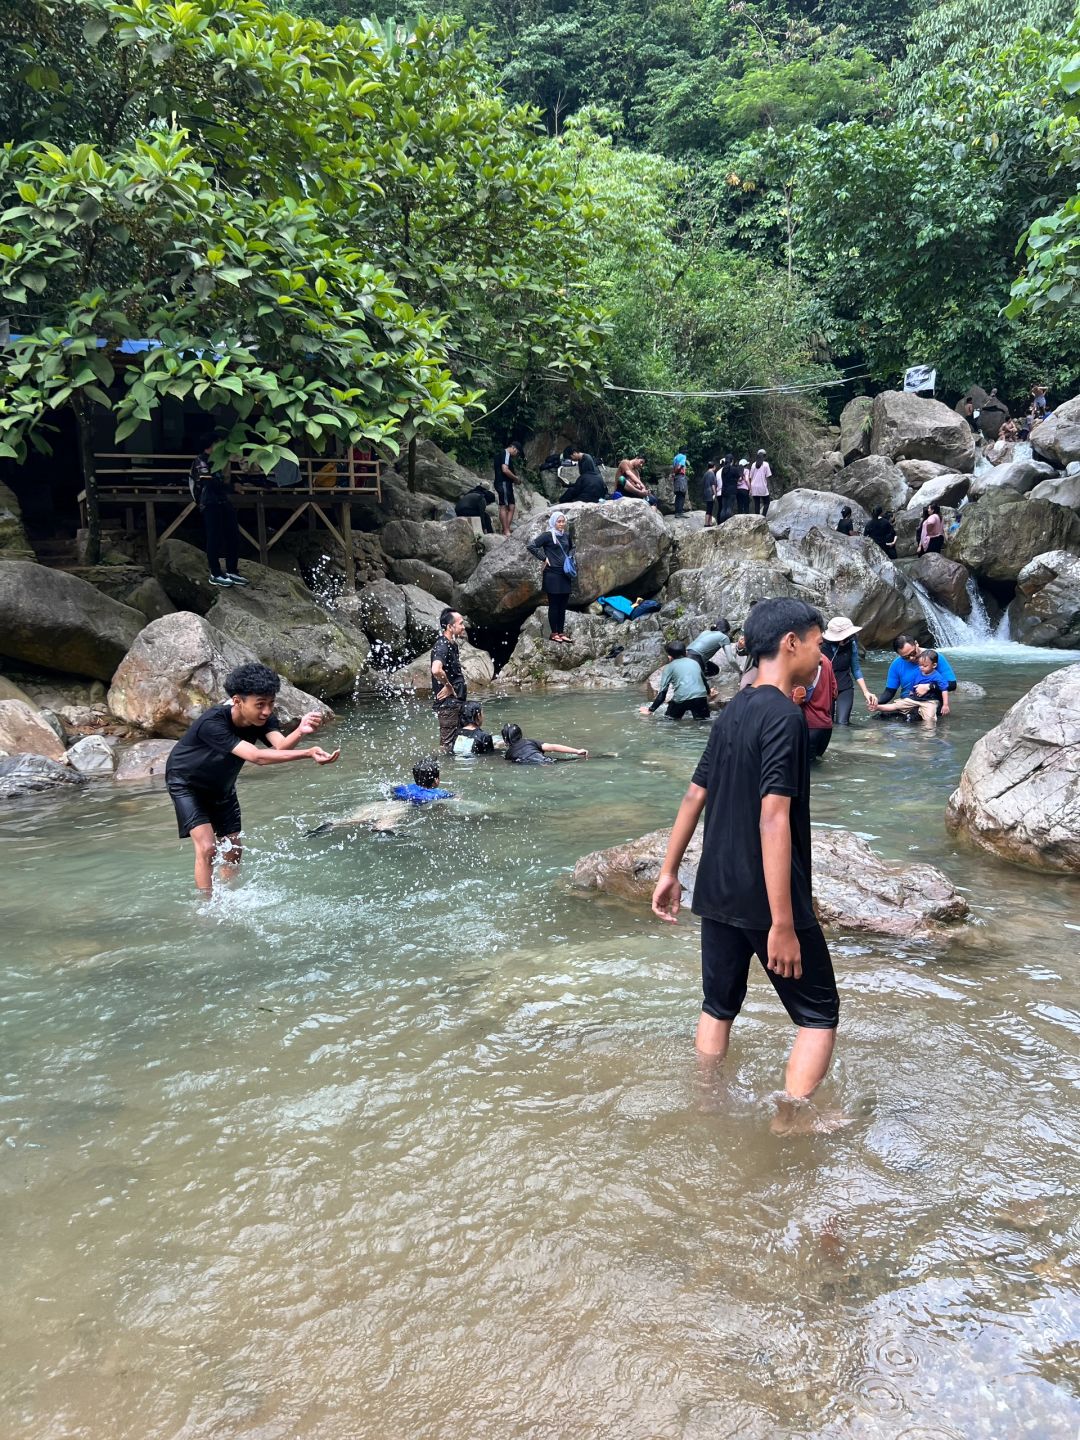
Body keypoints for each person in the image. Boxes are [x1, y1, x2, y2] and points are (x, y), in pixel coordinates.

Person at [649, 597, 839, 1113]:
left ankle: (707, 1105)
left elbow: (694, 794)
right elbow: (773, 816)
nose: (823, 656)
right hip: (768, 897)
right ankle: (791, 1121)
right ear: (791, 642)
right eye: (819, 644)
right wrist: (782, 923)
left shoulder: (732, 711)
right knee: (819, 1014)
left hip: (715, 888)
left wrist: (669, 873)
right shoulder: (785, 717)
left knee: (717, 1007)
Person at [166, 662, 338, 892]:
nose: (266, 711)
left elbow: (279, 746)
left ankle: (228, 896)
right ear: (237, 701)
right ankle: (206, 910)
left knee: (233, 849)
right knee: (208, 847)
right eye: (260, 704)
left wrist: (300, 730)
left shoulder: (262, 719)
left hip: (222, 786)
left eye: (270, 703)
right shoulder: (213, 723)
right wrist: (307, 753)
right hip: (187, 784)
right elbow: (257, 757)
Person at [190, 443, 248, 589]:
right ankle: (215, 573)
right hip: (209, 501)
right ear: (209, 445)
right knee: (214, 537)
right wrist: (232, 487)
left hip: (223, 500)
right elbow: (208, 483)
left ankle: (232, 570)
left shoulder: (220, 460)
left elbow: (224, 479)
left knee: (233, 535)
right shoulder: (201, 460)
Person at [873, 635, 957, 719]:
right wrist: (876, 702)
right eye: (906, 657)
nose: (911, 658)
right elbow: (889, 692)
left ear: (916, 644)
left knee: (914, 719)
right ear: (899, 655)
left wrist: (929, 686)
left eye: (913, 653)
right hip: (909, 700)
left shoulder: (933, 657)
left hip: (931, 702)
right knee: (880, 717)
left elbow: (952, 685)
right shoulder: (896, 664)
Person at [526, 511, 575, 644]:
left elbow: (571, 548)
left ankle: (561, 632)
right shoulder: (548, 536)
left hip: (565, 574)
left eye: (563, 521)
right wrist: (544, 558)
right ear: (553, 522)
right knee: (554, 604)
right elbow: (531, 546)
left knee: (563, 605)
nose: (561, 524)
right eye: (559, 522)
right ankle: (554, 633)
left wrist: (570, 558)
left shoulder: (566, 536)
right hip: (552, 574)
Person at [639, 642, 713, 720]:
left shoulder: (668, 668)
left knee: (669, 720)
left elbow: (662, 694)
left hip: (681, 699)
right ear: (686, 653)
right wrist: (708, 693)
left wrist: (650, 710)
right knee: (703, 722)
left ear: (669, 657)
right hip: (700, 698)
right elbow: (704, 682)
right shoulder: (695, 663)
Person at [820, 617, 872, 725]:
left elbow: (856, 669)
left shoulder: (852, 644)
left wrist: (866, 692)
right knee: (827, 723)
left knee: (843, 723)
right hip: (825, 688)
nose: (847, 639)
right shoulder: (820, 645)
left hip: (845, 686)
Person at [431, 608, 467, 752]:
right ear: (450, 627)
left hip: (455, 702)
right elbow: (436, 670)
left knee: (457, 743)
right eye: (461, 623)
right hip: (448, 705)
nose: (463, 627)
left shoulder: (452, 644)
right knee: (447, 747)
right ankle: (441, 770)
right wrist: (448, 686)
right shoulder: (442, 646)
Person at [794, 651, 838, 759]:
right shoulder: (827, 660)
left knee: (808, 771)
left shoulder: (802, 661)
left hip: (810, 726)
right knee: (817, 766)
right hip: (826, 727)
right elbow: (835, 692)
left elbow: (797, 698)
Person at [501, 722, 588, 763]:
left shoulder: (508, 754)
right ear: (520, 734)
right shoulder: (529, 742)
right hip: (546, 761)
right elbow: (553, 747)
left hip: (531, 765)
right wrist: (577, 751)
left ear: (505, 741)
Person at [494, 442, 520, 536]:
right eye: (517, 453)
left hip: (507, 484)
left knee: (512, 506)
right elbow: (505, 469)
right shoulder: (505, 453)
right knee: (504, 506)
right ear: (514, 448)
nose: (516, 455)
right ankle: (506, 531)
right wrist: (516, 478)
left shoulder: (505, 455)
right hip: (503, 483)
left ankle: (506, 529)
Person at [718, 454, 742, 523]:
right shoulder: (734, 469)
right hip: (732, 491)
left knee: (723, 508)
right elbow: (739, 478)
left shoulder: (723, 470)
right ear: (732, 461)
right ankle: (728, 523)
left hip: (724, 490)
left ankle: (722, 523)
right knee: (729, 508)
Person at [748, 449, 772, 516]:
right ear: (764, 456)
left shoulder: (753, 465)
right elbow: (768, 476)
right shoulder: (766, 464)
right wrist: (768, 487)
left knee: (757, 504)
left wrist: (750, 488)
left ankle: (757, 518)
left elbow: (750, 477)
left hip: (754, 487)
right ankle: (763, 516)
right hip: (762, 486)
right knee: (767, 503)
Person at [701, 461, 718, 525]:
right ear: (713, 467)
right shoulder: (712, 473)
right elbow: (713, 485)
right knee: (709, 508)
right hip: (710, 493)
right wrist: (715, 493)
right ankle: (706, 523)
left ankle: (709, 523)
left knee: (709, 507)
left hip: (705, 492)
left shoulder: (705, 474)